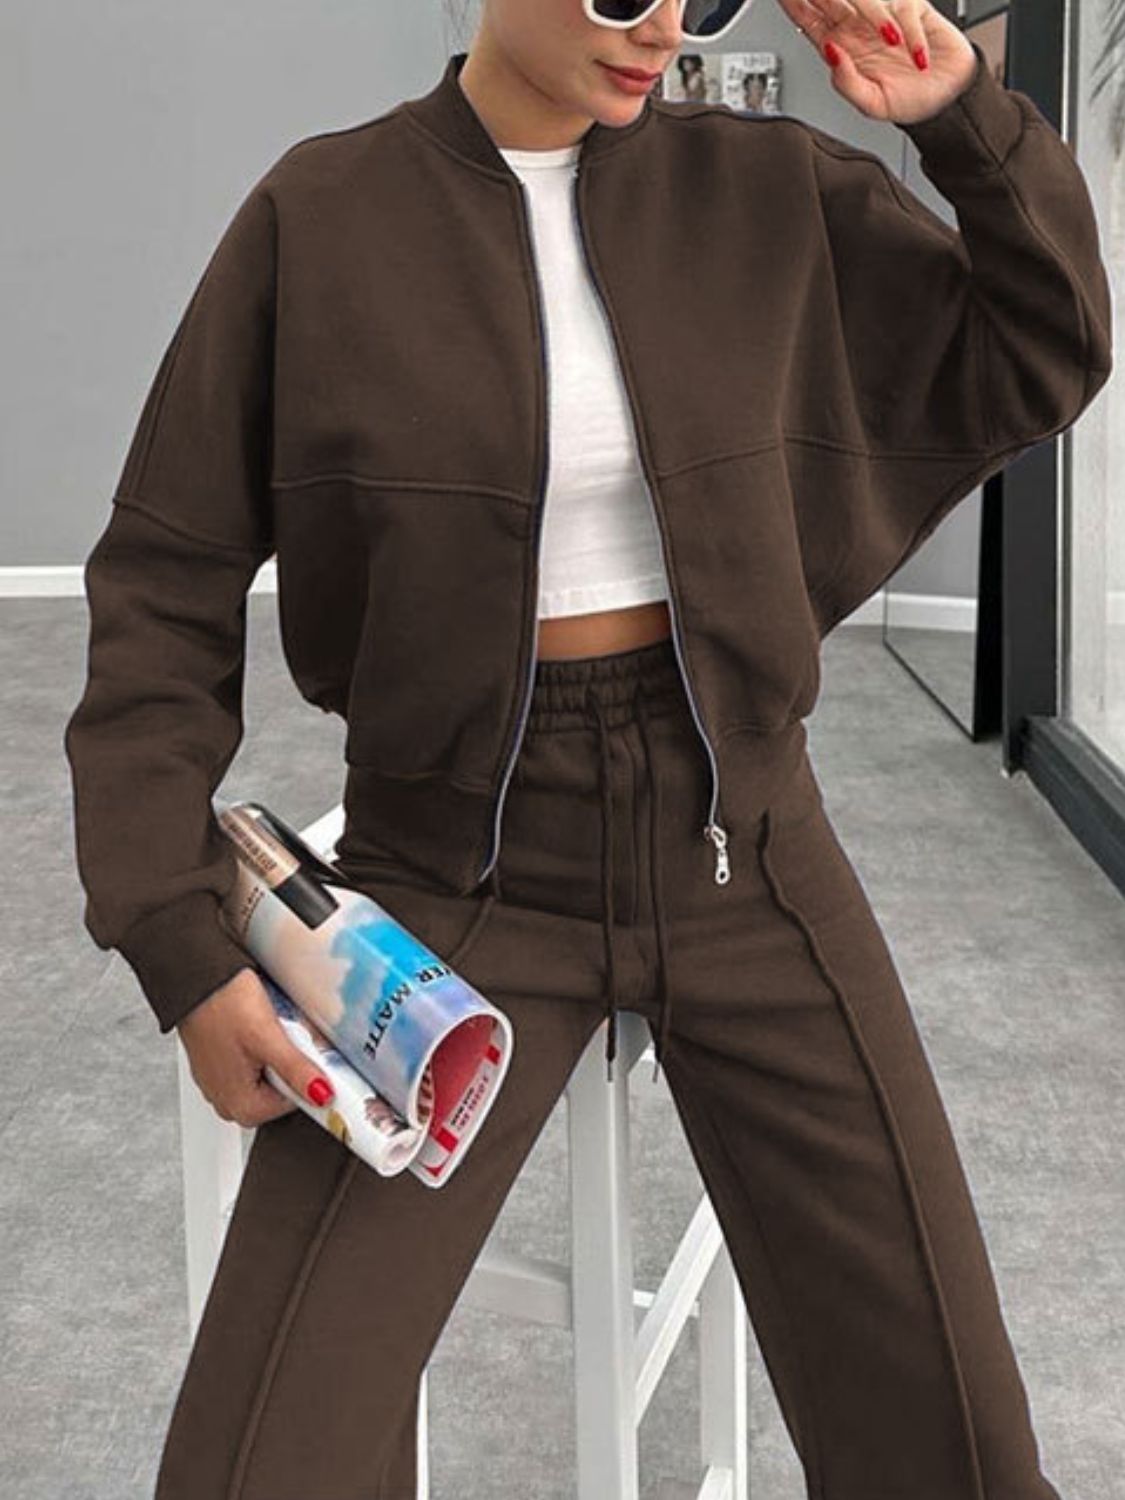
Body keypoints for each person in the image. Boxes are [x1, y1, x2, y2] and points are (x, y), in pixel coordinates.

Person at [63, 0, 1113, 1496]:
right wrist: (180, 944)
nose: (666, 24)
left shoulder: (762, 189)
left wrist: (963, 121)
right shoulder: (323, 215)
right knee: (258, 1464)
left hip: (747, 851)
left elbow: (1048, 341)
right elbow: (162, 584)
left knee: (956, 1443)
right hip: (448, 878)